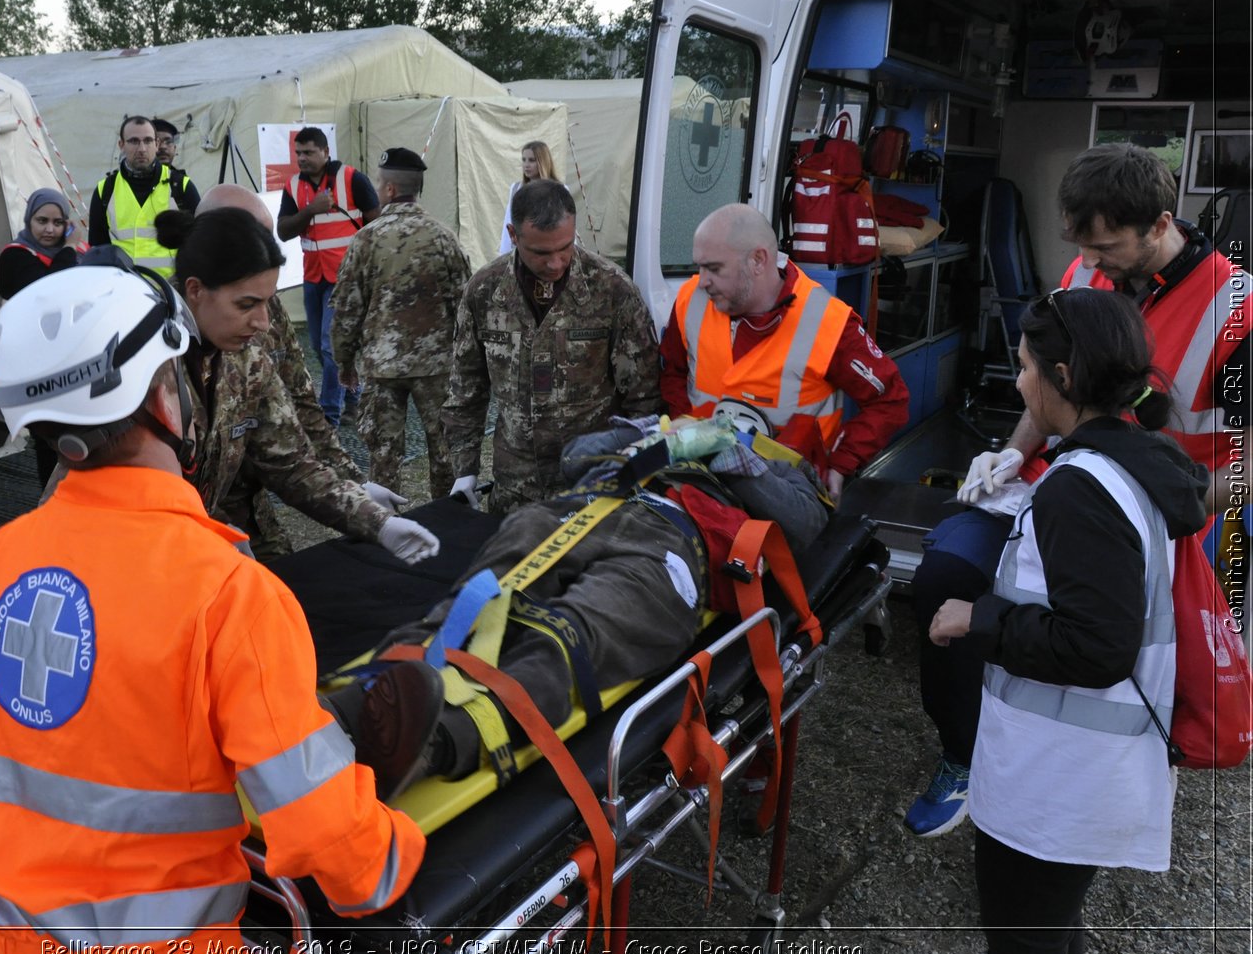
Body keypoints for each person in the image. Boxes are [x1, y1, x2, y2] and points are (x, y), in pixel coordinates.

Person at [0, 264, 423, 954]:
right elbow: (327, 835)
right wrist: (395, 861)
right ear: (163, 398)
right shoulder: (226, 591)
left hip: (23, 948)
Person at [904, 143, 1249, 838]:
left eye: (1108, 248)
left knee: (1109, 653)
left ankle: (1106, 795)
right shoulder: (1083, 274)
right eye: (1083, 249)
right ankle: (961, 754)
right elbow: (1052, 385)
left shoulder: (1236, 310)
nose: (1092, 265)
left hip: (1159, 518)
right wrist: (1007, 454)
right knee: (943, 576)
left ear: (1159, 223)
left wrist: (1180, 506)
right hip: (1056, 486)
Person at [329, 412, 829, 800]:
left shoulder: (778, 468)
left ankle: (436, 742)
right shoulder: (662, 428)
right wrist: (651, 435)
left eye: (741, 420)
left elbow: (805, 525)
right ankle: (364, 697)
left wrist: (732, 454)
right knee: (481, 595)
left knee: (571, 632)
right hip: (584, 510)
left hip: (674, 544)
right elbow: (573, 458)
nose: (721, 418)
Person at [929, 287, 1204, 954]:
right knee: (1048, 930)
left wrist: (978, 616)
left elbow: (1098, 644)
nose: (1018, 384)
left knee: (1024, 946)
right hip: (1086, 774)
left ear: (1062, 378)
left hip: (1058, 778)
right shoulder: (1133, 460)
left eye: (1024, 367)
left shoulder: (1079, 486)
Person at [158, 207, 439, 563]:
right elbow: (127, 496)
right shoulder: (142, 365)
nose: (263, 322)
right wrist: (209, 535)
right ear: (195, 290)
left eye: (268, 302)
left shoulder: (247, 360)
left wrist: (378, 523)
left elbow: (292, 464)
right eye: (247, 304)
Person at [659, 203, 909, 503]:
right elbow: (673, 371)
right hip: (700, 478)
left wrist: (842, 464)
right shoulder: (690, 300)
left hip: (785, 493)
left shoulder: (827, 323)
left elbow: (890, 401)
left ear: (758, 260)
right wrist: (681, 426)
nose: (702, 280)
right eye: (699, 266)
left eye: (714, 268)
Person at [195, 183, 387, 558]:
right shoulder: (155, 348)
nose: (260, 320)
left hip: (244, 499)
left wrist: (356, 484)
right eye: (254, 238)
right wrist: (202, 529)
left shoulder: (266, 309)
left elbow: (297, 417)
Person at [445, 178, 660, 514]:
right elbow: (466, 393)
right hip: (516, 488)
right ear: (513, 236)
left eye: (566, 247)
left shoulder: (611, 289)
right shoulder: (484, 292)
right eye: (541, 252)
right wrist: (465, 471)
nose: (557, 263)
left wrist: (637, 470)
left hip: (594, 485)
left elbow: (644, 398)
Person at [331, 147, 472, 498]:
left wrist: (344, 361)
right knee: (444, 452)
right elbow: (465, 304)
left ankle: (385, 525)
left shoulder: (366, 239)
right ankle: (447, 521)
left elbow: (348, 309)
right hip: (436, 365)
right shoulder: (444, 237)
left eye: (379, 184)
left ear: (390, 190)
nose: (378, 189)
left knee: (383, 455)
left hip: (382, 367)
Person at [277, 126, 381, 425]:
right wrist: (310, 210)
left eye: (309, 152)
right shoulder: (293, 186)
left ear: (326, 152)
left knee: (329, 344)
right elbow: (283, 232)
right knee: (318, 347)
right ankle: (353, 393)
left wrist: (367, 269)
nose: (302, 158)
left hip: (346, 278)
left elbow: (376, 224)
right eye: (298, 153)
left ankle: (329, 415)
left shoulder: (351, 178)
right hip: (313, 277)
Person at [0, 188, 87, 486]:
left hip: (74, 359)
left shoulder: (75, 252)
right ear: (29, 220)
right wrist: (70, 248)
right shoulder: (14, 255)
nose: (50, 229)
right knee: (49, 438)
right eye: (42, 221)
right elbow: (48, 292)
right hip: (36, 364)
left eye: (58, 222)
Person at [88, 115, 202, 279]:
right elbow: (98, 251)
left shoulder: (181, 186)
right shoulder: (104, 190)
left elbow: (199, 244)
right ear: (121, 145)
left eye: (148, 141)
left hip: (173, 293)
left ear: (156, 144)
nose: (142, 148)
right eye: (134, 141)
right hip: (124, 291)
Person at [497, 140, 560, 257]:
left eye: (532, 160)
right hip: (521, 252)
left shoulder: (559, 190)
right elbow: (509, 221)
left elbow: (566, 225)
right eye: (524, 159)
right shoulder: (516, 189)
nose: (526, 164)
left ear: (542, 162)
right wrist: (504, 254)